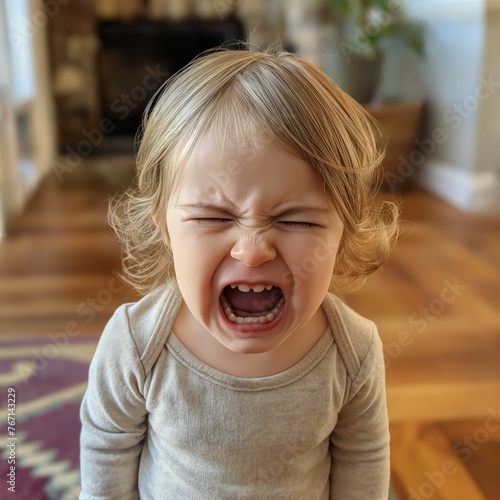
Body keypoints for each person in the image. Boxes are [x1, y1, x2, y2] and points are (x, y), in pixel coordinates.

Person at [79, 45, 399, 499]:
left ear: (343, 232)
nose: (252, 251)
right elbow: (106, 449)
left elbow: (363, 459)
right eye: (212, 217)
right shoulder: (137, 345)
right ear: (165, 228)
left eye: (297, 220)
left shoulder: (353, 354)